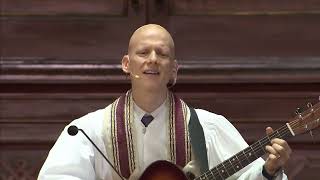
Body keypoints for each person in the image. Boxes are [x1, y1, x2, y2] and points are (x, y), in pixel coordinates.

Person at [38, 24, 292, 180]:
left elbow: (245, 176)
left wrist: (269, 170)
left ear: (174, 69)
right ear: (126, 64)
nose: (152, 59)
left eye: (162, 54)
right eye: (143, 52)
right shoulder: (87, 130)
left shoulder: (208, 127)